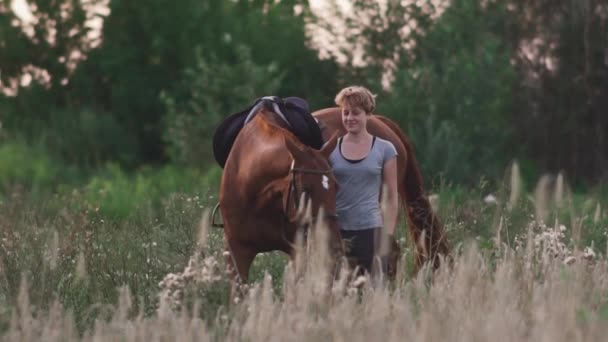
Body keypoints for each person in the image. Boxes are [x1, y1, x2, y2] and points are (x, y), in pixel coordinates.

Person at [328, 85, 399, 278]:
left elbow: (392, 197)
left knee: (373, 297)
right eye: (346, 113)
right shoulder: (331, 149)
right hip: (338, 233)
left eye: (356, 113)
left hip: (371, 232)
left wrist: (388, 237)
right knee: (340, 296)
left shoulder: (386, 149)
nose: (349, 118)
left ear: (368, 115)